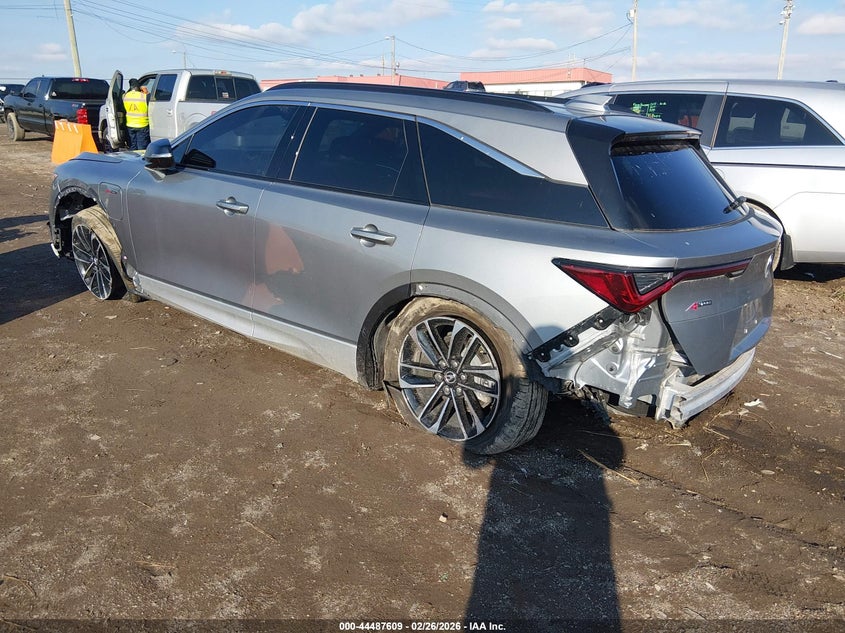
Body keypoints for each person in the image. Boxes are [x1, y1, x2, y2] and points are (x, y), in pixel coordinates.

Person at [122, 78, 150, 151]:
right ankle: (141, 162)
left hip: (130, 124)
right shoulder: (143, 96)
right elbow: (153, 101)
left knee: (133, 147)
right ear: (138, 87)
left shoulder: (126, 96)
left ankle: (133, 161)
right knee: (142, 148)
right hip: (142, 125)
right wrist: (147, 92)